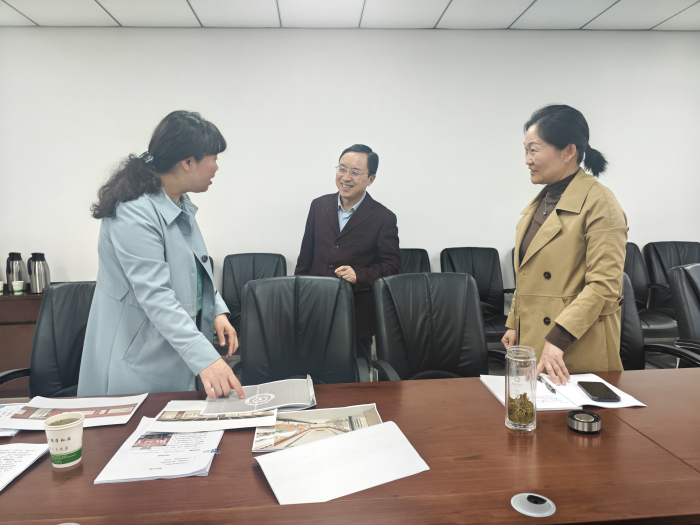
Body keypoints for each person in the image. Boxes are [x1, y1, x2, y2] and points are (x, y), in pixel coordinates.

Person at [78, 111, 244, 400]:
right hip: (138, 358)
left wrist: (217, 310)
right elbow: (156, 296)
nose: (216, 167)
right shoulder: (133, 212)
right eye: (214, 158)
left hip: (171, 349)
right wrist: (206, 359)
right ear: (188, 162)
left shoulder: (178, 202)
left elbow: (195, 269)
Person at [502, 105, 628, 385]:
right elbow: (528, 276)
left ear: (569, 151)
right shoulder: (540, 204)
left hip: (575, 347)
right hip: (536, 341)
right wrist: (514, 323)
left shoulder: (601, 204)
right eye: (525, 150)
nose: (527, 160)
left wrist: (559, 337)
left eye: (534, 150)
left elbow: (604, 285)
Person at [294, 144, 400, 364]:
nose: (346, 177)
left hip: (356, 315)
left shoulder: (384, 218)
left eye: (355, 172)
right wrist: (299, 302)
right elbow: (305, 259)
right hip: (315, 309)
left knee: (356, 375)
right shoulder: (318, 206)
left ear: (371, 179)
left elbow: (391, 266)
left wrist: (359, 275)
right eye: (342, 169)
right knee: (312, 370)